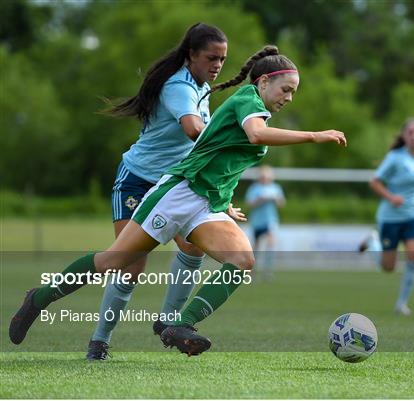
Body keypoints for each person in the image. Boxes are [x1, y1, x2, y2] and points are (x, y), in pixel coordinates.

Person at [9, 45, 347, 357]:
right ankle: (39, 298)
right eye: (286, 89)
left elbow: (221, 162)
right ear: (262, 82)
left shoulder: (257, 107)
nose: (289, 98)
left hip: (206, 205)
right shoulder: (248, 100)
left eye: (294, 93)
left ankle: (179, 325)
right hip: (178, 194)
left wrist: (225, 203)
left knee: (242, 260)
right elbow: (255, 135)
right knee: (115, 260)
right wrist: (315, 135)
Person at [93, 22, 228, 360]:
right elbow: (193, 128)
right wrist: (232, 143)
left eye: (223, 59)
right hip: (138, 180)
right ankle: (99, 340)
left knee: (194, 247)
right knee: (130, 265)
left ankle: (168, 322)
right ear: (191, 55)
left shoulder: (203, 89)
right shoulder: (179, 86)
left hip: (174, 184)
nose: (217, 65)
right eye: (211, 58)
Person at [366, 118, 414, 316]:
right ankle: (372, 242)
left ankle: (402, 303)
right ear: (404, 136)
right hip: (390, 217)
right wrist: (391, 197)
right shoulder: (395, 157)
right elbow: (374, 182)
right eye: (411, 132)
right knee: (388, 267)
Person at [245, 165, 285, 280]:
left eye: (267, 175)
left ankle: (268, 270)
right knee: (256, 247)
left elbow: (281, 203)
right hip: (257, 221)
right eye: (262, 175)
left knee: (271, 243)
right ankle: (252, 270)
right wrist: (260, 199)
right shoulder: (254, 188)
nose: (264, 178)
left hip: (271, 220)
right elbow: (250, 204)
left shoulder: (275, 188)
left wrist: (275, 198)